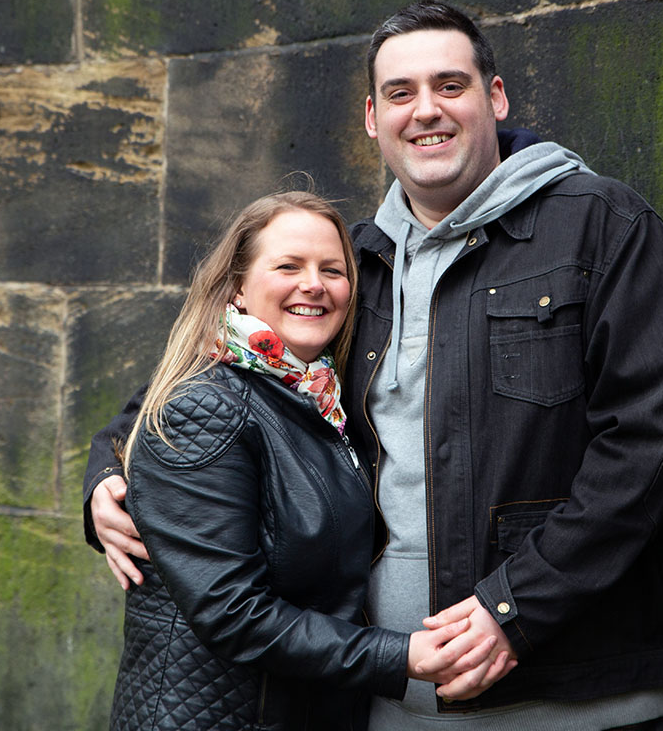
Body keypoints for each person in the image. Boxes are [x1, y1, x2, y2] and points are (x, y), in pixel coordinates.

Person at [85, 1, 663, 731]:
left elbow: (652, 440)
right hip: (387, 700)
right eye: (401, 93)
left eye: (451, 85)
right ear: (373, 119)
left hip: (576, 695)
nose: (427, 111)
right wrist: (104, 481)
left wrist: (516, 606)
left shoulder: (604, 226)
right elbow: (189, 386)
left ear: (494, 98)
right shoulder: (353, 267)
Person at [106, 190, 507, 731]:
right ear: (237, 289)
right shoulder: (206, 403)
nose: (313, 284)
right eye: (288, 266)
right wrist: (401, 656)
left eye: (333, 270)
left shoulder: (316, 395)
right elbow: (232, 612)